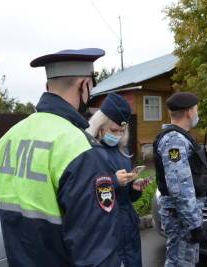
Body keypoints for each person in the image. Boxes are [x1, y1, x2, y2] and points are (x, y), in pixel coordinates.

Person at [0, 48, 122, 267]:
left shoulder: (7, 139)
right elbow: (97, 252)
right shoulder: (79, 148)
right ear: (85, 86)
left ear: (47, 87)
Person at [86, 93, 149, 267]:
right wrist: (113, 181)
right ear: (100, 127)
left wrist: (134, 188)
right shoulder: (89, 152)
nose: (118, 135)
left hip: (127, 226)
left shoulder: (122, 151)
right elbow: (86, 193)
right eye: (114, 131)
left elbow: (126, 197)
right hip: (107, 230)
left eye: (122, 131)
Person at [153, 92, 207, 267]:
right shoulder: (174, 141)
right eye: (196, 110)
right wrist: (194, 226)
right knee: (180, 262)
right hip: (181, 218)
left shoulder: (180, 137)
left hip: (182, 216)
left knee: (185, 260)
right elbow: (179, 188)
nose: (197, 114)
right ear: (189, 112)